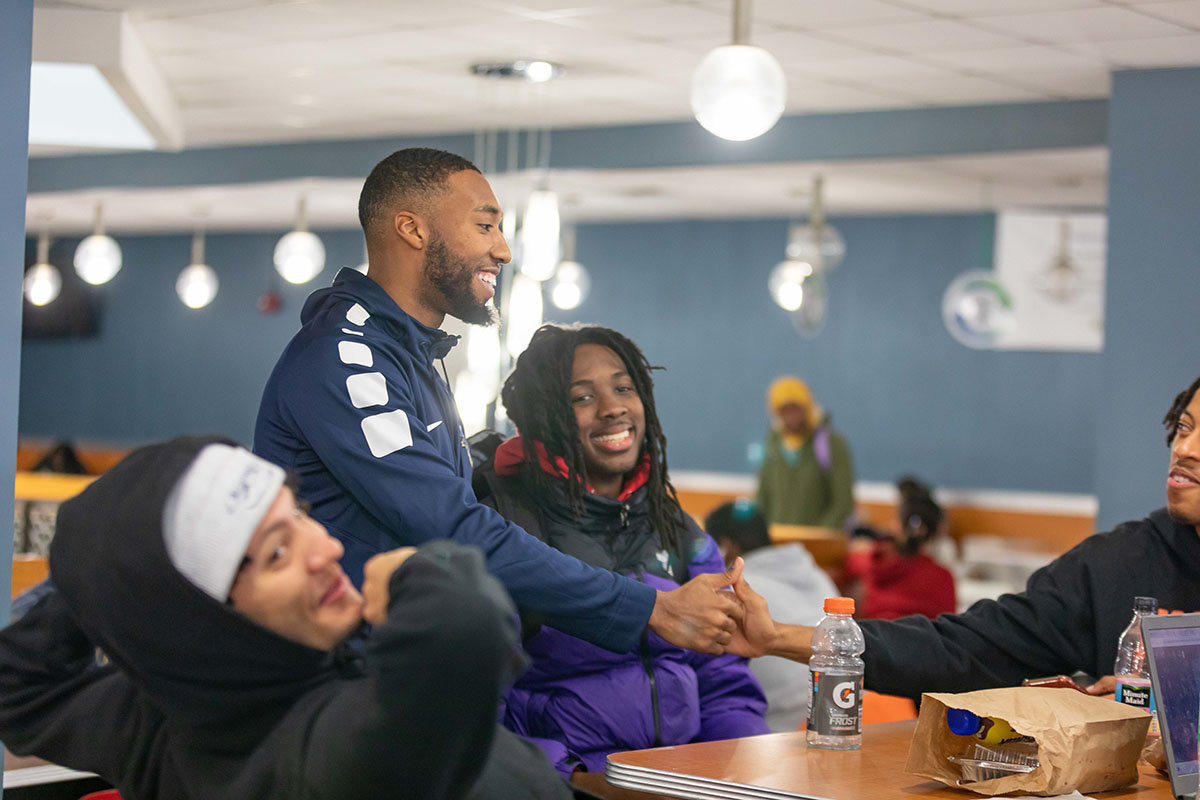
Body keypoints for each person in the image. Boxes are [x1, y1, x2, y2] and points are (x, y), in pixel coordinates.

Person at [254, 147, 740, 658]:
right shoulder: (347, 357)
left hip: (406, 664)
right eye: (485, 226)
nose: (504, 251)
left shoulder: (408, 352)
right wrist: (651, 608)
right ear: (413, 230)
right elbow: (450, 526)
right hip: (342, 674)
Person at [0, 436, 578, 800]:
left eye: (300, 514)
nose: (324, 549)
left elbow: (15, 683)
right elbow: (468, 629)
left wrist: (102, 564)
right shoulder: (313, 758)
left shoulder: (162, 714)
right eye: (278, 552)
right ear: (202, 622)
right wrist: (418, 573)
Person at [727, 376, 1200, 700]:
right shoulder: (1114, 565)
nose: (1185, 449)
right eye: (1183, 427)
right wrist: (783, 637)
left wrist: (1181, 702)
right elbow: (965, 649)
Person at [472, 324, 768, 776]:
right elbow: (480, 704)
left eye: (623, 388)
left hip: (682, 781)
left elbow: (723, 681)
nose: (613, 409)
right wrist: (568, 782)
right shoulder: (506, 528)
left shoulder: (676, 529)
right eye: (582, 397)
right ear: (543, 415)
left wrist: (741, 775)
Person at [704, 499, 837, 732]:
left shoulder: (736, 592)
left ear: (726, 546)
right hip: (849, 713)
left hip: (785, 731)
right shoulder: (816, 573)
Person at [843, 476, 956, 621]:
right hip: (922, 642)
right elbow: (948, 627)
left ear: (898, 526)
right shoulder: (944, 577)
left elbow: (850, 562)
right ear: (939, 530)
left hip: (873, 639)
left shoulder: (876, 561)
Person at [755, 376, 855, 528]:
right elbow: (763, 495)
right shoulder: (772, 445)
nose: (791, 417)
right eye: (784, 411)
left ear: (807, 407)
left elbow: (843, 501)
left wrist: (818, 533)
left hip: (819, 542)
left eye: (795, 409)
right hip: (779, 539)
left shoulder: (830, 444)